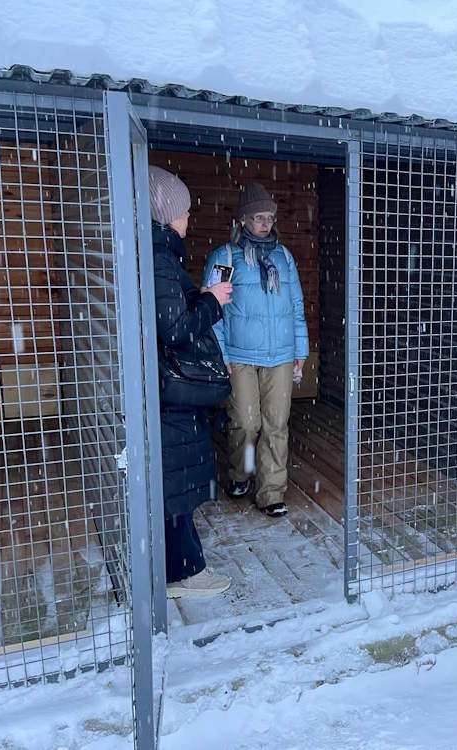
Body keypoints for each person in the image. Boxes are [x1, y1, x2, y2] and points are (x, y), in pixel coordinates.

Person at [149, 165, 233, 598]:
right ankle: (184, 575)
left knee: (174, 480)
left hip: (166, 388)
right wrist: (211, 302)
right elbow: (175, 328)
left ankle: (179, 569)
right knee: (175, 483)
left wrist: (201, 298)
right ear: (166, 214)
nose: (188, 219)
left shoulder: (157, 253)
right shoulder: (161, 258)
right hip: (171, 390)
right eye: (183, 211)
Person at [203, 183, 309, 517]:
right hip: (240, 356)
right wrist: (221, 352)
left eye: (269, 217)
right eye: (258, 217)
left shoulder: (284, 257)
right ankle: (242, 472)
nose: (265, 223)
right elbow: (212, 308)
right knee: (247, 423)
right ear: (243, 219)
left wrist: (300, 349)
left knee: (276, 424)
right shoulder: (226, 256)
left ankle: (271, 492)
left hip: (279, 354)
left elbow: (296, 306)